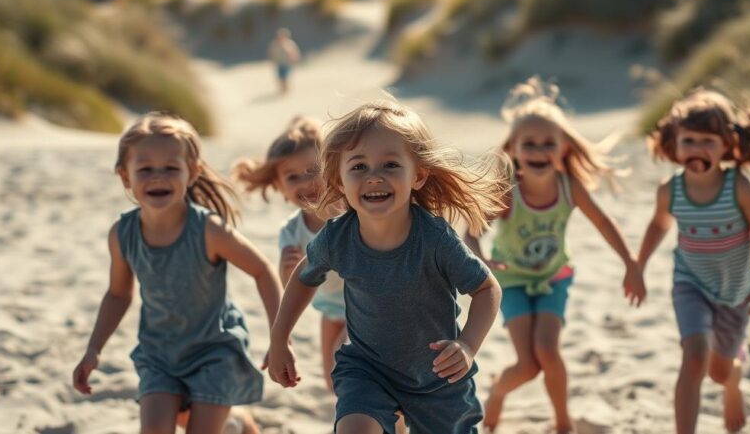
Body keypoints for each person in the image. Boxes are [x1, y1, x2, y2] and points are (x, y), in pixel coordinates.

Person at [267, 97, 511, 434]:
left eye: (390, 165)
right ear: (338, 181)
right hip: (368, 370)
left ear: (419, 176)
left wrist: (467, 345)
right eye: (358, 167)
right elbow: (304, 278)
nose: (374, 177)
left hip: (438, 377)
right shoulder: (338, 238)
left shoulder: (435, 239)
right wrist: (280, 338)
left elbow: (486, 289)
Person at [72, 112, 282, 434]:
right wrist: (93, 349)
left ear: (192, 172)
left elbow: (262, 270)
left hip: (214, 350)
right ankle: (234, 423)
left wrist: (279, 338)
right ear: (125, 176)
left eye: (171, 168)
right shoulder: (122, 234)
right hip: (158, 354)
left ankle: (233, 422)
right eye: (145, 169)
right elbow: (118, 294)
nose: (158, 177)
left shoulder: (208, 230)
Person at [463, 77, 646, 433]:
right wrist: (481, 260)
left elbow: (604, 223)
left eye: (549, 143)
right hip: (511, 280)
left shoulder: (569, 186)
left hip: (553, 278)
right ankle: (498, 392)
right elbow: (470, 232)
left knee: (548, 350)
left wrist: (631, 263)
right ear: (513, 149)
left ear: (563, 148)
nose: (539, 151)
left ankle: (563, 422)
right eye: (528, 144)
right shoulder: (508, 191)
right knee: (528, 365)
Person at [637, 88, 750, 433]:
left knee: (719, 372)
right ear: (674, 144)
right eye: (689, 140)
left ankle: (734, 382)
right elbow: (658, 225)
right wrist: (638, 267)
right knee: (694, 355)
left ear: (727, 145)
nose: (697, 149)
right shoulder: (670, 190)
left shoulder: (737, 187)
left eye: (708, 140)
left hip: (736, 291)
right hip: (690, 284)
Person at [231, 116, 347, 392]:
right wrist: (286, 271)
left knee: (346, 362)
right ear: (280, 189)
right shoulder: (291, 233)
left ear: (332, 169)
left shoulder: (351, 214)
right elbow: (293, 287)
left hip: (365, 305)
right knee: (333, 382)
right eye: (292, 177)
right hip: (330, 309)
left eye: (312, 170)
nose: (305, 182)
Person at [268, 28, 301, 95]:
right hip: (279, 63)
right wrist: (273, 60)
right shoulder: (275, 44)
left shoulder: (290, 43)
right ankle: (282, 89)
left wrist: (295, 58)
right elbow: (272, 53)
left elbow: (295, 52)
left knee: (285, 76)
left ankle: (286, 90)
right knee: (280, 77)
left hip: (287, 63)